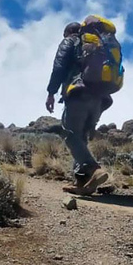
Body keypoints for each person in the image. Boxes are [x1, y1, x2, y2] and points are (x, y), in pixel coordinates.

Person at [46, 21, 111, 195]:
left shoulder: (70, 41)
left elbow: (59, 66)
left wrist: (51, 92)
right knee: (80, 138)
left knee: (70, 135)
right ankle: (81, 182)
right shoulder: (98, 44)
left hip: (78, 94)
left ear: (67, 32)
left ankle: (94, 169)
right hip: (99, 99)